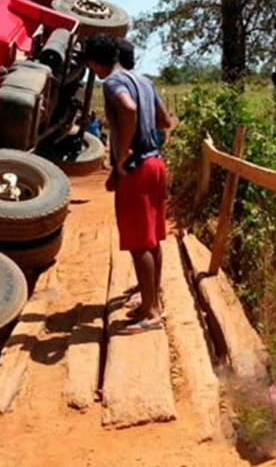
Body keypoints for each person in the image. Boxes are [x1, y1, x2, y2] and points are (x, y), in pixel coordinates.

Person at [83, 33, 173, 332]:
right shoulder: (144, 80)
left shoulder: (112, 83)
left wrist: (121, 158)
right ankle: (154, 302)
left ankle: (151, 313)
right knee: (152, 238)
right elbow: (164, 121)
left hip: (136, 169)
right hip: (156, 164)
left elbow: (129, 109)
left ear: (95, 63)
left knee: (138, 242)